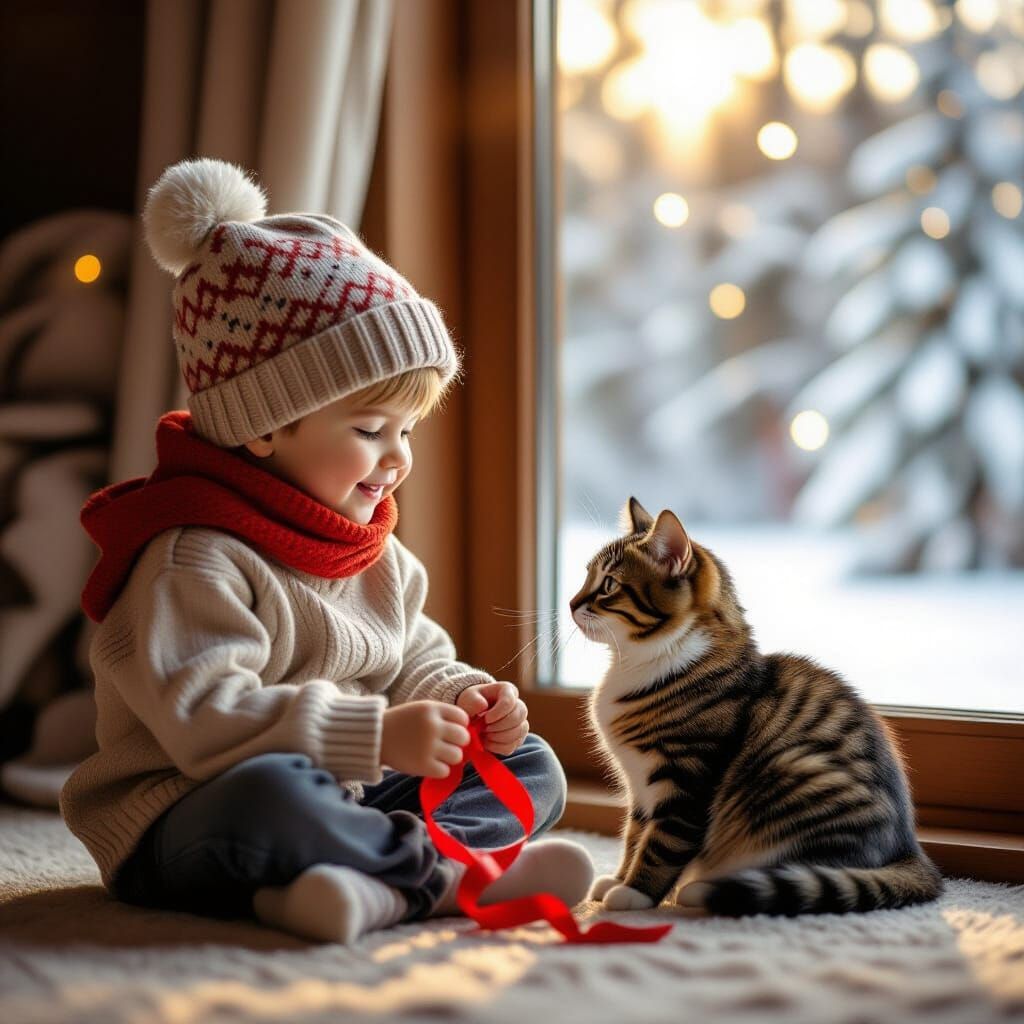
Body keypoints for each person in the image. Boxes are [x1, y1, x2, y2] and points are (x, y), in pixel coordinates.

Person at [60, 158, 594, 944]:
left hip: (347, 793)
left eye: (407, 432)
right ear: (266, 426)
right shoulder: (192, 558)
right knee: (272, 797)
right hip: (183, 810)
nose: (398, 457)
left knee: (533, 766)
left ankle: (359, 886)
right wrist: (376, 737)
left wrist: (462, 700)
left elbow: (409, 656)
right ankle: (445, 877)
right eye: (372, 430)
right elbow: (205, 721)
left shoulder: (369, 549)